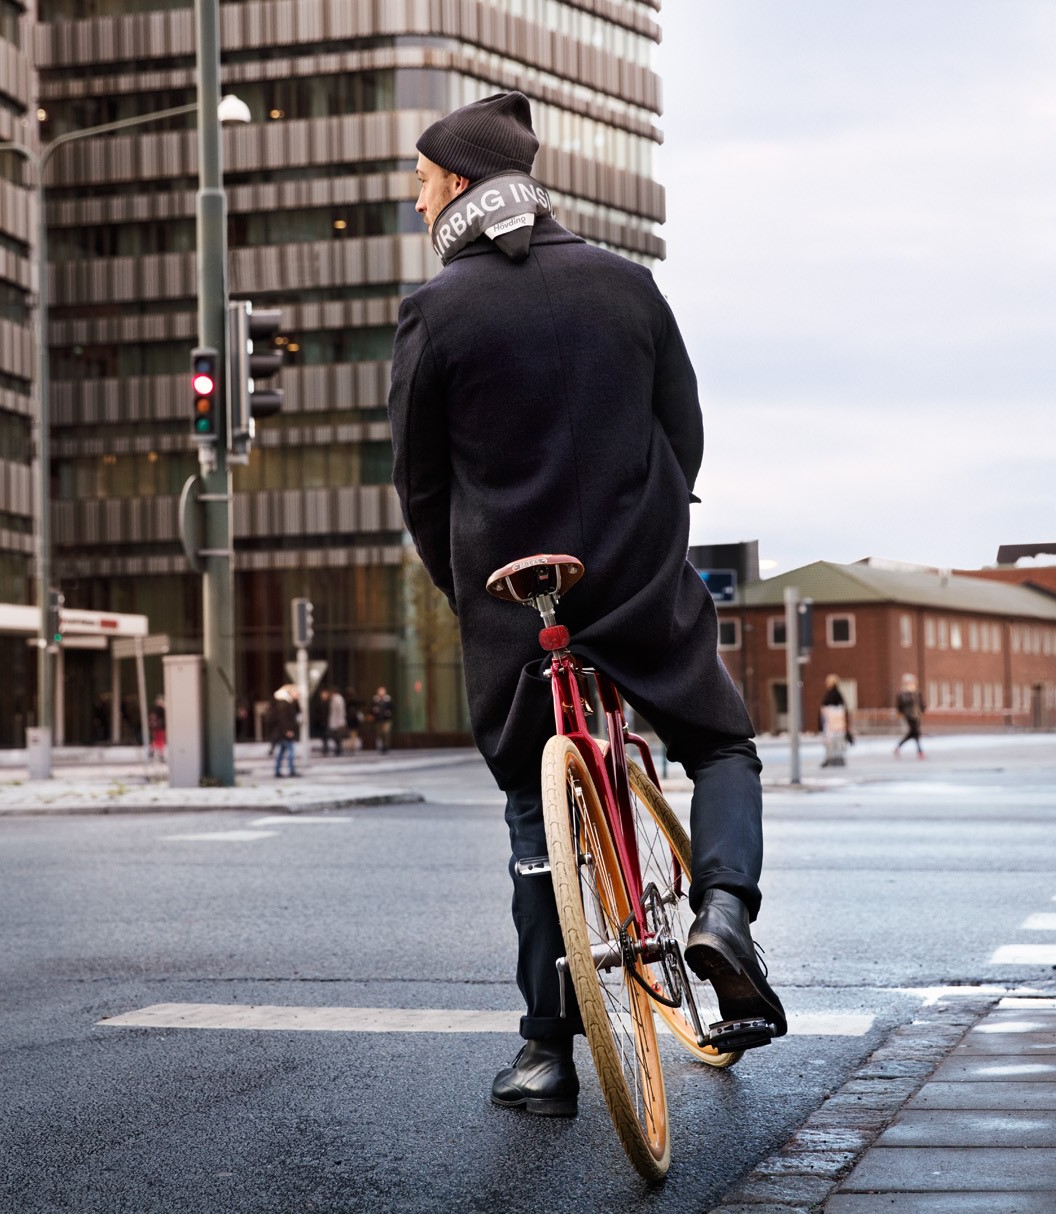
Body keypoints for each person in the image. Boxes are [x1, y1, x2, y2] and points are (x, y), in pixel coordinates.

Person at [389, 91, 783, 1119]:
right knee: (719, 743)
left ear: (462, 186)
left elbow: (419, 484)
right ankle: (725, 912)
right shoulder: (626, 285)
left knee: (532, 803)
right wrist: (648, 530)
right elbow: (682, 434)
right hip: (638, 573)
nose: (415, 197)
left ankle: (544, 1053)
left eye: (423, 180)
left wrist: (461, 584)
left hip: (512, 590)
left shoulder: (436, 310)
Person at [268, 684, 301, 777]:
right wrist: (288, 730)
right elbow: (284, 719)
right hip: (284, 732)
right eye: (296, 692)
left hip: (282, 732)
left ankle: (278, 770)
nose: (297, 694)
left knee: (282, 752)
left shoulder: (286, 703)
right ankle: (291, 770)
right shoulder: (284, 704)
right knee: (290, 751)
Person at [819, 675, 851, 768]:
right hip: (838, 725)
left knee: (831, 742)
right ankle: (837, 758)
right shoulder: (838, 695)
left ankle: (831, 759)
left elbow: (825, 710)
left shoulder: (829, 695)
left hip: (831, 724)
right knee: (838, 742)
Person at [894, 674, 925, 759]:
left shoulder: (917, 692)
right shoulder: (903, 693)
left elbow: (921, 703)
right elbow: (900, 705)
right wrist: (900, 713)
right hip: (908, 715)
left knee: (913, 733)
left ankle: (898, 746)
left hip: (917, 715)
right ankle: (920, 751)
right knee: (915, 732)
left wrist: (922, 709)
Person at [370, 686, 395, 754]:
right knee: (380, 733)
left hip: (386, 720)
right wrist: (374, 712)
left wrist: (388, 713)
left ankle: (386, 745)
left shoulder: (388, 700)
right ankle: (382, 745)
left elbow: (392, 708)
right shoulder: (375, 701)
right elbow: (371, 710)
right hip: (378, 720)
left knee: (386, 732)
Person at [327, 684, 350, 756]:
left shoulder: (338, 699)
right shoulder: (335, 699)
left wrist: (341, 721)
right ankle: (338, 749)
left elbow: (340, 711)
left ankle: (339, 749)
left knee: (337, 736)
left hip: (337, 721)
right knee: (336, 736)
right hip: (335, 720)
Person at [149, 697, 168, 763]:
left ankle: (152, 753)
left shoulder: (154, 710)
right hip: (160, 727)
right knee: (160, 741)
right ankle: (160, 756)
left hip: (156, 728)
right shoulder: (160, 709)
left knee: (157, 741)